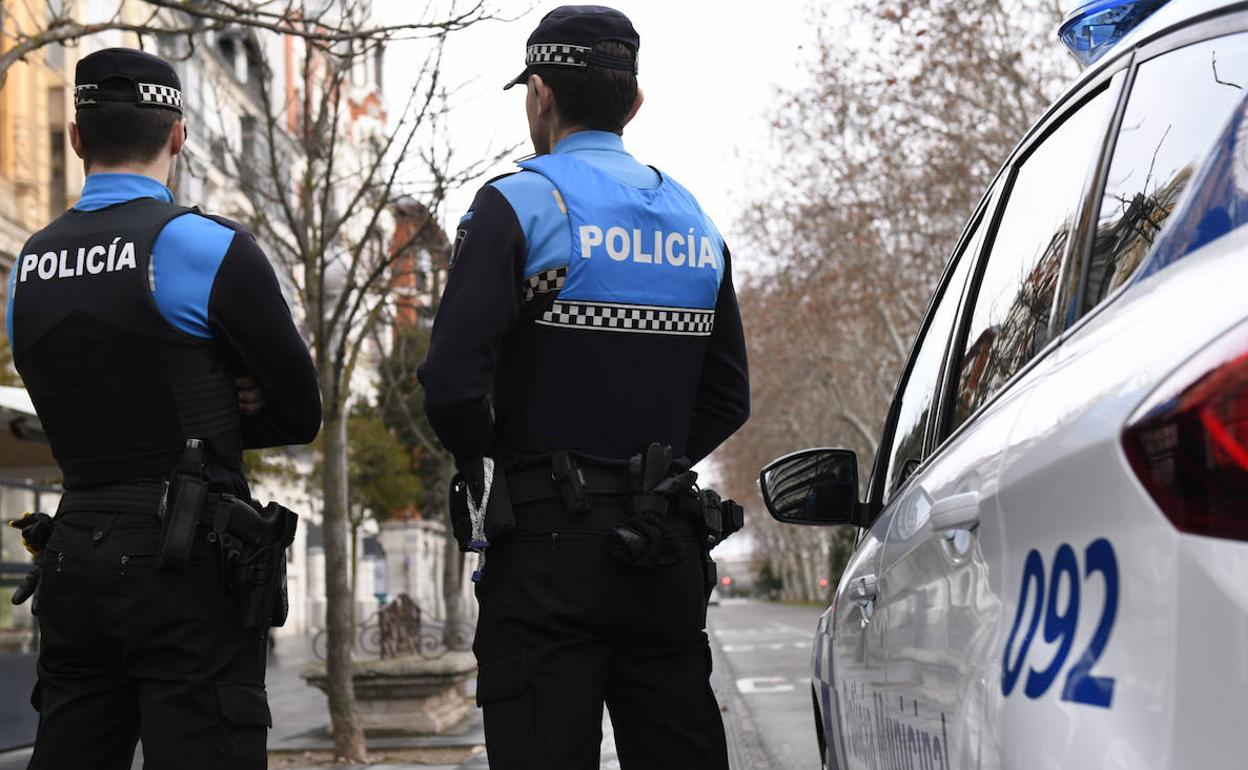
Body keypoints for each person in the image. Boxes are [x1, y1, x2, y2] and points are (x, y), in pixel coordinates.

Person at [418, 6, 750, 769]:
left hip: (545, 553)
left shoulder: (518, 203)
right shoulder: (695, 221)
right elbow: (729, 395)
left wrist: (493, 465)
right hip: (664, 544)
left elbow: (449, 383)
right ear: (633, 103)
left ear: (539, 93)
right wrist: (651, 462)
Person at [5, 47, 321, 769]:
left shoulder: (30, 265)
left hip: (75, 552)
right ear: (179, 135)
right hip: (186, 564)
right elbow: (301, 410)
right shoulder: (206, 247)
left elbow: (66, 394)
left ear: (78, 139)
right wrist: (227, 399)